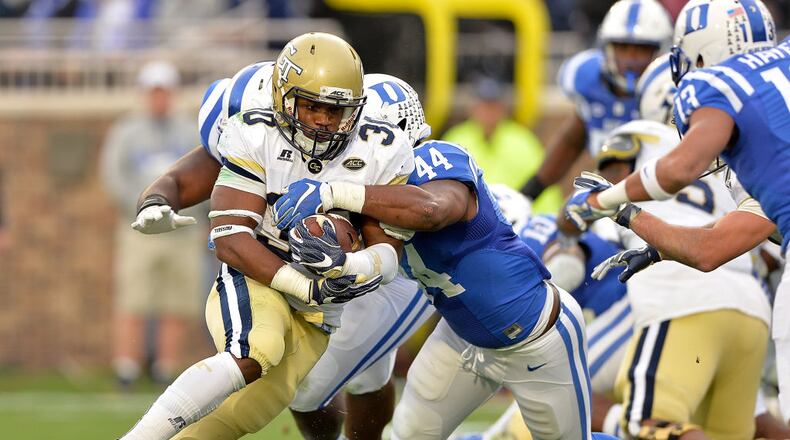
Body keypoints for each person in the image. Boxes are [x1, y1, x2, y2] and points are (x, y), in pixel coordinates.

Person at [120, 32, 409, 440]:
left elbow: (388, 253)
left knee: (247, 414)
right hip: (257, 269)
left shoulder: (381, 147)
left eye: (337, 109)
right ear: (283, 98)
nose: (326, 120)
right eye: (313, 106)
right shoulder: (254, 130)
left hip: (322, 311)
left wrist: (352, 266)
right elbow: (231, 237)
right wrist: (154, 199)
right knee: (255, 350)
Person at [273, 132, 605, 438]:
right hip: (460, 337)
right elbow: (380, 267)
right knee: (407, 435)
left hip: (537, 337)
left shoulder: (435, 162)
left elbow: (432, 210)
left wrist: (335, 191)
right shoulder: (370, 193)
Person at [565, 0, 790, 426]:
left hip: (689, 301)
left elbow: (679, 169)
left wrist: (612, 203)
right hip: (750, 298)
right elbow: (719, 242)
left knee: (645, 420)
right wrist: (658, 249)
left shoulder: (718, 88)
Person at [99, 60, 204, 388]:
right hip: (140, 231)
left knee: (177, 301)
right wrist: (145, 209)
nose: (159, 99)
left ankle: (164, 368)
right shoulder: (126, 131)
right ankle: (126, 368)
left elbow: (205, 177)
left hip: (181, 230)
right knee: (135, 299)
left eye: (164, 92)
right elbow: (114, 177)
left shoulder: (190, 131)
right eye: (153, 92)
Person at [520, 0, 671, 202]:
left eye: (641, 50)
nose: (631, 59)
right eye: (623, 48)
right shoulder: (590, 82)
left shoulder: (671, 94)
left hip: (663, 203)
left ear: (660, 51)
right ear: (607, 48)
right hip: (610, 203)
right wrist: (528, 192)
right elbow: (571, 142)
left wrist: (589, 204)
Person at [442, 78, 563, 213]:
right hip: (467, 225)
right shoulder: (456, 139)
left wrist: (545, 220)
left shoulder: (523, 141)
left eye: (493, 105)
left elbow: (543, 184)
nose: (488, 112)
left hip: (514, 223)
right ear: (473, 108)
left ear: (502, 108)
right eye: (484, 105)